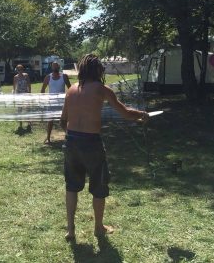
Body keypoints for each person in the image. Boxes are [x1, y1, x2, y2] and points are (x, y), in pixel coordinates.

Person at [60, 54, 148, 240]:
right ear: (97, 70)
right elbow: (124, 113)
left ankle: (70, 229)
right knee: (99, 186)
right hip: (91, 142)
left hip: (71, 141)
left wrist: (71, 137)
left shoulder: (71, 90)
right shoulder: (102, 89)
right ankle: (98, 228)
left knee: (71, 186)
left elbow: (63, 120)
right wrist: (141, 114)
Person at [41, 61, 71, 143]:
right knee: (50, 121)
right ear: (52, 67)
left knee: (64, 120)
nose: (55, 68)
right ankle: (48, 138)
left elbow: (70, 89)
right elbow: (42, 90)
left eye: (56, 66)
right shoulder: (48, 77)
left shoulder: (64, 76)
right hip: (51, 102)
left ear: (59, 67)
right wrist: (42, 101)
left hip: (62, 103)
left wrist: (70, 100)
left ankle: (69, 137)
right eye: (53, 66)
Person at [13, 64, 32, 132]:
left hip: (26, 94)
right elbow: (14, 87)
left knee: (28, 108)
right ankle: (20, 124)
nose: (20, 71)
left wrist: (29, 93)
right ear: (17, 70)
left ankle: (29, 123)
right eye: (18, 69)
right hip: (19, 95)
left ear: (23, 69)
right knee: (19, 109)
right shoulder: (15, 77)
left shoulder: (26, 75)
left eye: (21, 69)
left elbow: (29, 84)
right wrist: (14, 95)